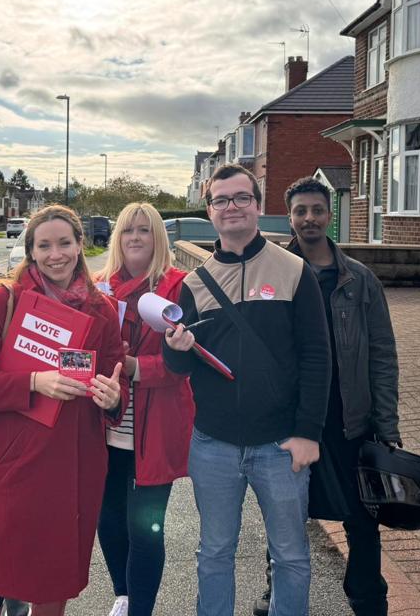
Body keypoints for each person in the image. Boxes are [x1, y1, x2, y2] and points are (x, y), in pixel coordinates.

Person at [162, 164, 331, 616]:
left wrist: (307, 432)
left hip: (280, 443)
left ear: (257, 206)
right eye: (221, 200)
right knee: (214, 553)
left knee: (291, 555)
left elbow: (318, 356)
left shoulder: (294, 271)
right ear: (210, 211)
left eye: (240, 198)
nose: (231, 207)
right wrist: (174, 347)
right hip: (213, 443)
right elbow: (180, 366)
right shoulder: (193, 284)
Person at [0, 204, 128, 616]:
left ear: (80, 245)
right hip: (16, 459)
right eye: (44, 245)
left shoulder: (101, 310)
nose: (56, 255)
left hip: (76, 462)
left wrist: (112, 397)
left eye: (64, 243)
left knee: (56, 577)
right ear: (30, 251)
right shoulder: (5, 301)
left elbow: (111, 384)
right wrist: (34, 382)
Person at [252, 177, 400, 616]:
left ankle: (369, 598)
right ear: (290, 216)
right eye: (301, 211)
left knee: (361, 517)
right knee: (285, 514)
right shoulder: (272, 273)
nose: (309, 219)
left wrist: (387, 427)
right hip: (292, 418)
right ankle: (275, 591)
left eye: (317, 210)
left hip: (349, 418)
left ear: (329, 215)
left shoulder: (360, 280)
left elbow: (382, 354)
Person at [95, 202, 194, 616]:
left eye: (144, 230)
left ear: (159, 237)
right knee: (109, 520)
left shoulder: (178, 286)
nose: (135, 237)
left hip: (154, 428)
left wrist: (135, 367)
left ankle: (141, 610)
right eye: (127, 230)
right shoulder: (99, 287)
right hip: (104, 428)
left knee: (146, 528)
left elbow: (183, 365)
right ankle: (124, 593)